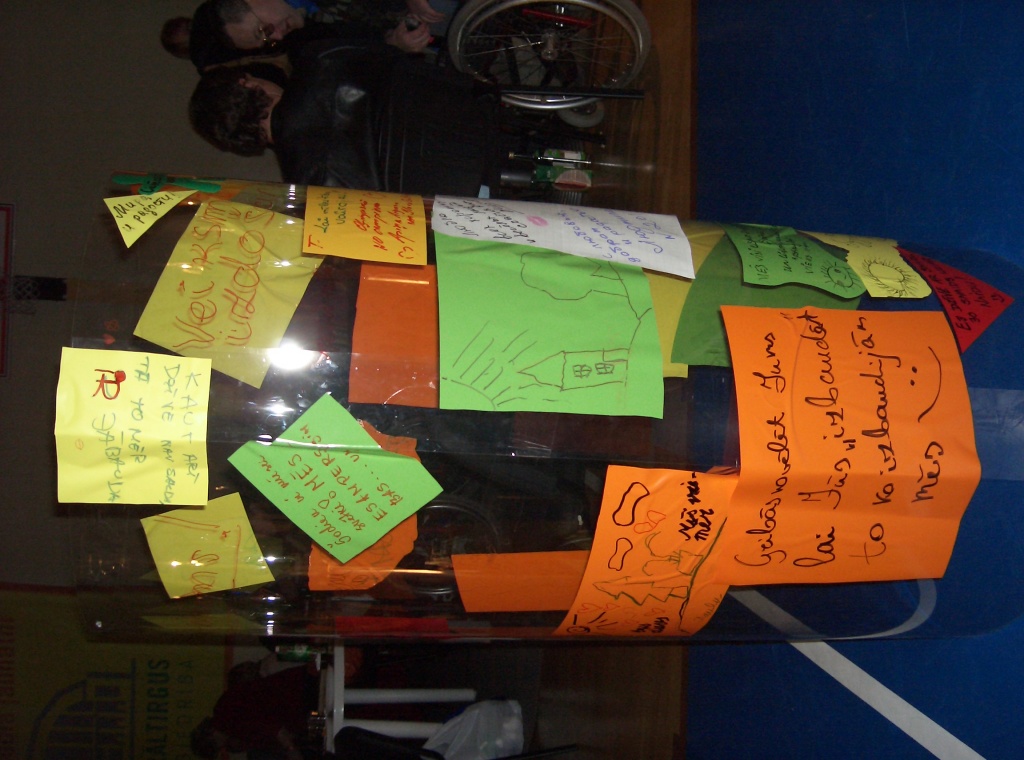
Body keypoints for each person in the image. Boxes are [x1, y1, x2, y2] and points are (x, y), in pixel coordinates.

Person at [188, 0, 438, 71]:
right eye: (268, 40)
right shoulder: (314, 24)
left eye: (265, 30)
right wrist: (395, 43)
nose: (279, 36)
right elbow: (376, 34)